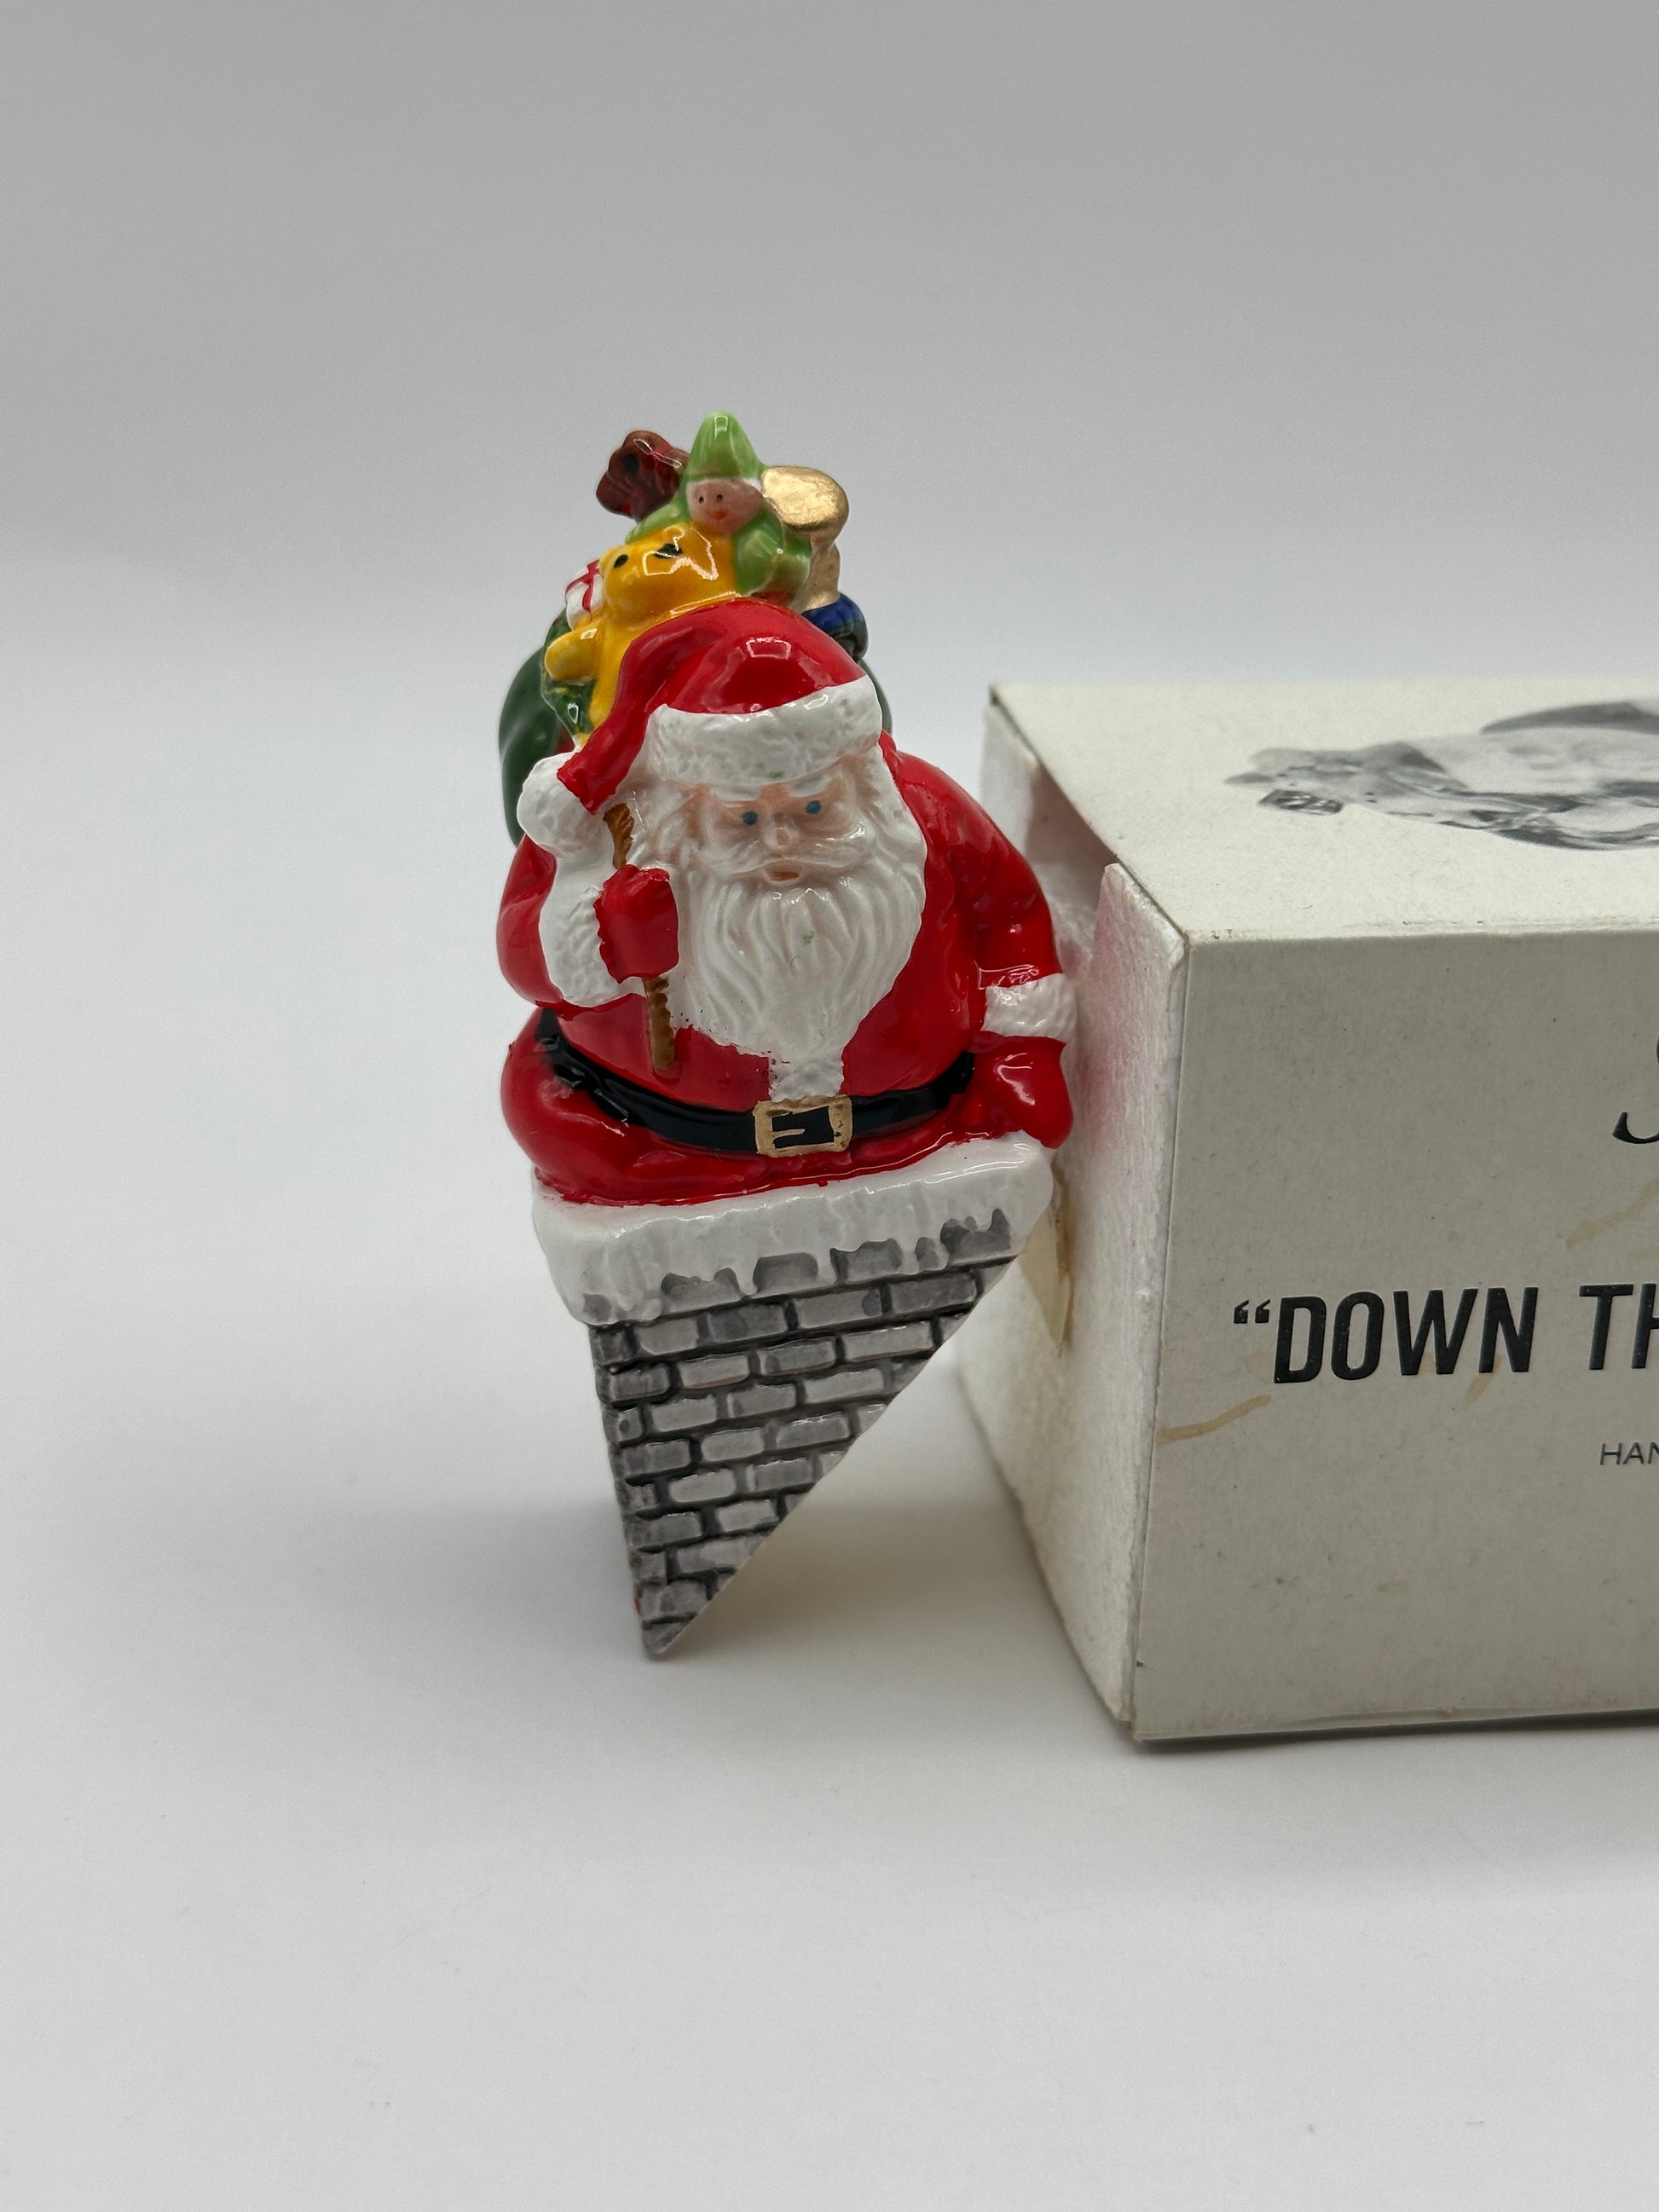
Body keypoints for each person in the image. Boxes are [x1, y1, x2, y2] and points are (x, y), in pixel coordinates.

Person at [498, 598, 1073, 1205]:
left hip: (913, 1135)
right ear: (689, 803)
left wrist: (1020, 1054)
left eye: (813, 807)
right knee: (547, 1107)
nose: (779, 840)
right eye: (743, 816)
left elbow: (1009, 918)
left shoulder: (923, 814)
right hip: (661, 1146)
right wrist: (598, 941)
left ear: (861, 780)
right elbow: (521, 950)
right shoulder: (612, 838)